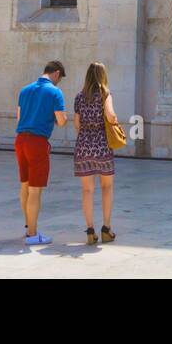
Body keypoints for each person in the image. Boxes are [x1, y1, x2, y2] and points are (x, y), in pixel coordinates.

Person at [15, 61, 69, 246]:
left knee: (25, 185)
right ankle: (32, 234)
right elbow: (61, 121)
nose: (58, 82)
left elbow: (19, 117)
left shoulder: (25, 90)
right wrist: (61, 118)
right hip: (37, 142)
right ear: (57, 73)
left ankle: (28, 226)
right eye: (60, 78)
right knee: (35, 189)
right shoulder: (55, 92)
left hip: (20, 140)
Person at [73, 61, 119, 245]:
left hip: (83, 145)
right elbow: (111, 115)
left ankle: (90, 230)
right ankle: (106, 229)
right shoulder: (105, 94)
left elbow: (76, 124)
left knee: (87, 190)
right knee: (106, 187)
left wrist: (86, 134)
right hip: (102, 145)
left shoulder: (79, 97)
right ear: (102, 76)